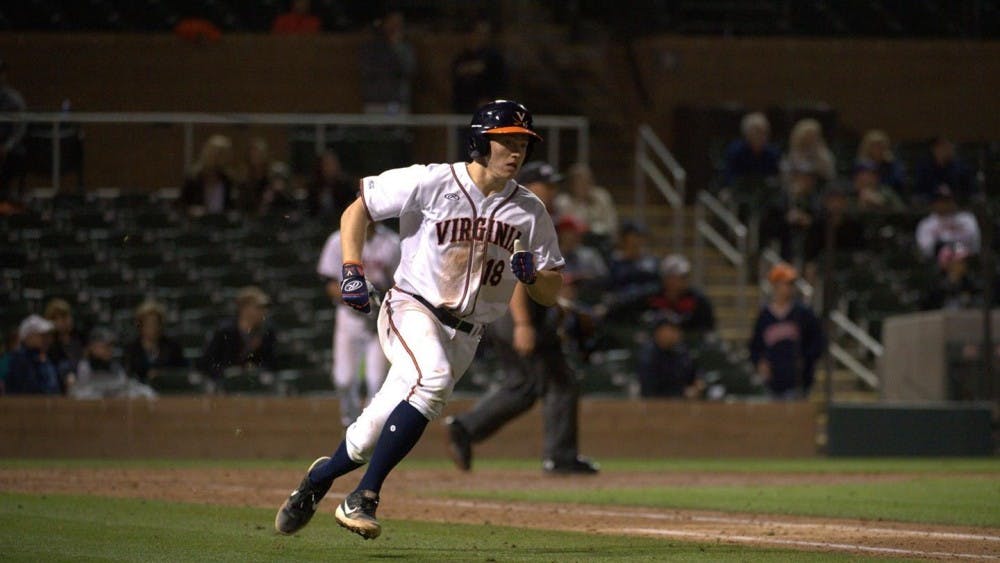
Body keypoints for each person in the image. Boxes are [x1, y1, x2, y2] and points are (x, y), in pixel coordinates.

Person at [274, 100, 564, 541]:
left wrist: (535, 278)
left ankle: (316, 481)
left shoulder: (529, 210)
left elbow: (551, 290)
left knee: (367, 436)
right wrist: (351, 268)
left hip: (467, 334)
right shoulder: (431, 181)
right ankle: (364, 496)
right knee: (434, 380)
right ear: (479, 141)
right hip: (413, 308)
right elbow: (358, 209)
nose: (516, 151)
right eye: (506, 140)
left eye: (522, 143)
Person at [444, 160, 598, 476]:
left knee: (537, 383)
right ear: (528, 185)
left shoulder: (531, 214)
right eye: (546, 184)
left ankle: (468, 428)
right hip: (515, 311)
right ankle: (557, 457)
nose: (552, 190)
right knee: (546, 383)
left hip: (518, 310)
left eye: (553, 184)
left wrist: (557, 305)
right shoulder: (521, 214)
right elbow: (514, 275)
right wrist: (524, 324)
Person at [317, 223, 401, 429]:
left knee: (376, 382)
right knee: (343, 379)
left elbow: (399, 283)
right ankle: (351, 424)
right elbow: (329, 283)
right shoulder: (338, 240)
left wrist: (383, 299)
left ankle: (370, 431)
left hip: (379, 317)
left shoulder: (391, 242)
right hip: (349, 317)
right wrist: (356, 297)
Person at [749, 263, 823, 400]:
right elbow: (755, 346)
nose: (790, 287)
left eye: (792, 284)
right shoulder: (765, 315)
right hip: (772, 381)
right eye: (786, 283)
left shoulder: (803, 313)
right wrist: (760, 362)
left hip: (798, 381)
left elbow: (817, 342)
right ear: (775, 285)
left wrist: (806, 361)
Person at [198, 286, 277, 384]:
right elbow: (207, 363)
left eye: (264, 308)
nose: (263, 311)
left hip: (254, 384)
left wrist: (256, 370)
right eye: (258, 307)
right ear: (244, 308)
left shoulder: (267, 332)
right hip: (224, 383)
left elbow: (270, 364)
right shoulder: (224, 331)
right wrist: (226, 372)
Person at [72, 328, 156, 399]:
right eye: (105, 346)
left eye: (111, 346)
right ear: (92, 347)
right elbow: (79, 393)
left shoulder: (115, 367)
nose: (110, 350)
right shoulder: (83, 367)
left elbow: (126, 386)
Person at [359, 10, 416, 114]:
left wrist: (397, 48)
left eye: (399, 23)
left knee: (397, 123)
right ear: (385, 24)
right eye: (392, 23)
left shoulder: (406, 48)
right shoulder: (370, 47)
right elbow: (366, 70)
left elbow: (409, 70)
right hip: (375, 101)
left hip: (398, 100)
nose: (395, 27)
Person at [647, 254, 716, 338]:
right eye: (670, 277)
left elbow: (707, 328)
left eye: (681, 278)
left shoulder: (698, 300)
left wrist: (681, 335)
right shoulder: (650, 297)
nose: (674, 282)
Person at [636, 313, 701, 398]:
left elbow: (693, 372)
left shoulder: (681, 350)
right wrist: (683, 392)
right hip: (655, 403)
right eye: (671, 330)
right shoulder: (648, 355)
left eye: (677, 329)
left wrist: (698, 381)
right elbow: (650, 390)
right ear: (658, 332)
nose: (676, 333)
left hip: (682, 402)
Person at [451, 19, 508, 114]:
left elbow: (499, 81)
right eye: (478, 33)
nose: (481, 37)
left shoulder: (494, 57)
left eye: (485, 34)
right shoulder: (462, 56)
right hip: (464, 106)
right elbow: (456, 73)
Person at [122, 300, 186, 385]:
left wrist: (161, 375)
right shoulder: (131, 349)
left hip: (167, 389)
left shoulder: (173, 347)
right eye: (148, 324)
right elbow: (127, 375)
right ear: (140, 326)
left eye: (155, 323)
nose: (153, 327)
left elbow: (181, 373)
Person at [554, 163, 618, 244]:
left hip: (601, 241)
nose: (584, 186)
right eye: (578, 182)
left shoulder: (602, 197)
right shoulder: (563, 202)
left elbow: (612, 225)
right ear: (571, 184)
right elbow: (566, 230)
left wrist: (591, 228)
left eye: (587, 181)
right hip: (575, 244)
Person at [915, 184, 981, 261]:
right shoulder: (926, 224)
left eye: (947, 200)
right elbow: (925, 248)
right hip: (937, 261)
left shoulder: (967, 218)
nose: (945, 204)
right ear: (934, 203)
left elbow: (974, 243)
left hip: (964, 258)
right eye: (941, 200)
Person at [179, 134, 235, 215]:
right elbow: (181, 205)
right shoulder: (193, 178)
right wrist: (191, 210)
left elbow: (231, 206)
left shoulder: (228, 179)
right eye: (215, 153)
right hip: (198, 221)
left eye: (222, 154)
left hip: (221, 220)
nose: (217, 158)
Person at [721, 111, 780, 189]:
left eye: (765, 132)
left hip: (764, 191)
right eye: (757, 132)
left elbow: (776, 177)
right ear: (746, 133)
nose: (761, 136)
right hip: (740, 189)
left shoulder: (773, 153)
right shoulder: (735, 151)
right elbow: (729, 177)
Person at [913, 136, 977, 205]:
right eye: (944, 145)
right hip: (931, 205)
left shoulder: (962, 168)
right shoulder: (924, 167)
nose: (950, 148)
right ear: (934, 149)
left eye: (951, 145)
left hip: (957, 205)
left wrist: (952, 193)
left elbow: (970, 192)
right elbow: (919, 191)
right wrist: (936, 191)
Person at [5, 315, 60, 395]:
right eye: (42, 335)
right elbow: (30, 390)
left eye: (47, 335)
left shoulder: (45, 358)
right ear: (29, 337)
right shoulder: (19, 360)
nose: (47, 339)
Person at [921, 243, 982, 310]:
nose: (964, 265)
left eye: (965, 262)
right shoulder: (936, 284)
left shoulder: (969, 281)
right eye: (960, 262)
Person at [0, 57, 27, 202]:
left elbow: (20, 128)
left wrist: (7, 146)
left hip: (9, 147)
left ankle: (7, 196)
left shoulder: (14, 99)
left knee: (18, 154)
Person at [780, 118, 836, 187]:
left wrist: (817, 156)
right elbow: (785, 175)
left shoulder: (823, 153)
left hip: (818, 186)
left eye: (813, 135)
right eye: (807, 135)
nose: (810, 139)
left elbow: (830, 174)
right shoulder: (792, 153)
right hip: (795, 185)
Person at [44, 298, 85, 390]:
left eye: (67, 316)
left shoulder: (78, 339)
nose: (66, 321)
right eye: (61, 318)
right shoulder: (49, 344)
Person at [307, 148, 357, 221]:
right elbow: (311, 209)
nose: (330, 167)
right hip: (318, 222)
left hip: (340, 221)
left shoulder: (345, 185)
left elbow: (350, 206)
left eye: (333, 164)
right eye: (327, 164)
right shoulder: (314, 185)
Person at [853, 129, 904, 194]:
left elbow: (898, 182)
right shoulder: (861, 164)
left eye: (880, 145)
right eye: (874, 145)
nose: (878, 148)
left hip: (888, 193)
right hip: (865, 193)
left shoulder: (892, 163)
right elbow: (857, 184)